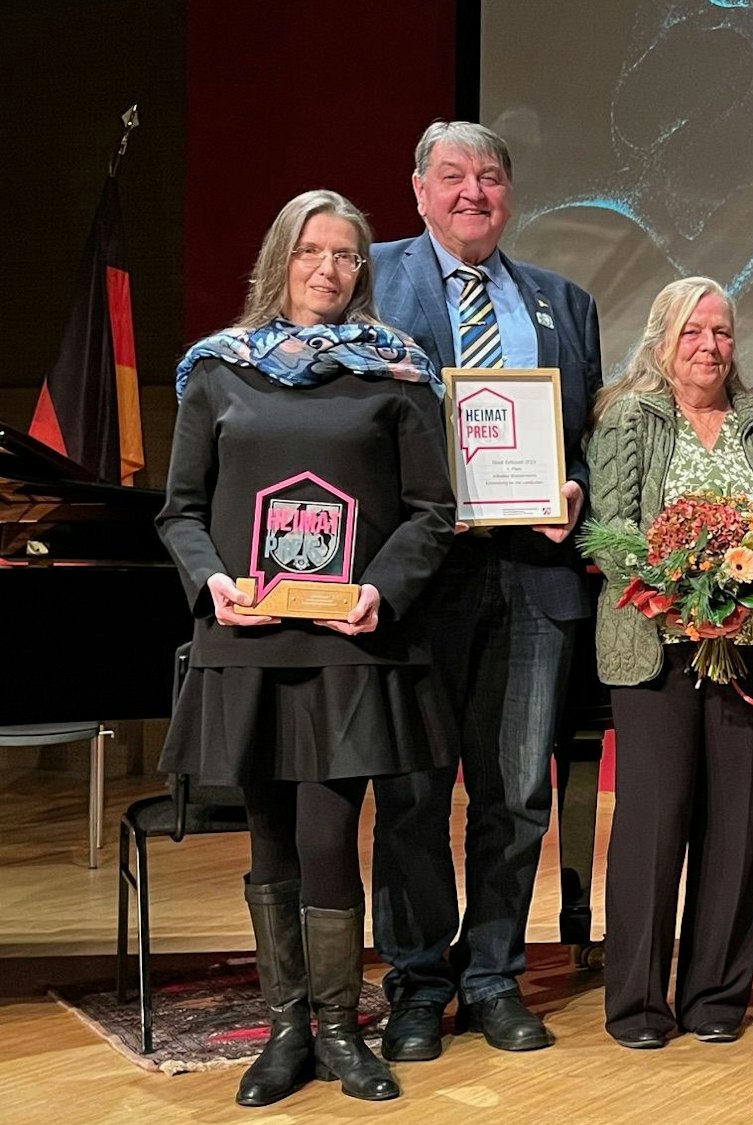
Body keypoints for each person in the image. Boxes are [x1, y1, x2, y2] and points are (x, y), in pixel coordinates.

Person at [156, 189, 455, 1105]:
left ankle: (340, 1031)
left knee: (329, 836)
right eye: (312, 251)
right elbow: (180, 511)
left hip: (347, 645)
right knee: (269, 838)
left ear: (363, 269)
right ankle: (286, 1033)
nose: (329, 269)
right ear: (280, 258)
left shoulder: (397, 372)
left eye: (347, 255)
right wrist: (213, 582)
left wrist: (379, 591)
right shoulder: (217, 370)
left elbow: (431, 512)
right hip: (246, 640)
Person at [367, 120, 604, 1060]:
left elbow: (585, 436)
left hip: (532, 578)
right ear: (420, 190)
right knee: (415, 792)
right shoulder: (372, 280)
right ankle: (417, 981)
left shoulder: (563, 302)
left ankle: (493, 975)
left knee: (516, 792)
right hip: (418, 580)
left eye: (492, 176)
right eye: (454, 175)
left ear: (510, 193)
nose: (474, 192)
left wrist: (573, 487)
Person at [585, 277, 753, 1047]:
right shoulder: (629, 418)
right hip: (653, 653)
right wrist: (685, 586)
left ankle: (716, 996)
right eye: (692, 331)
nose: (709, 346)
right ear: (662, 339)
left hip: (750, 652)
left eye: (721, 332)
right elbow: (612, 531)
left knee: (736, 827)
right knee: (654, 826)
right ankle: (637, 1004)